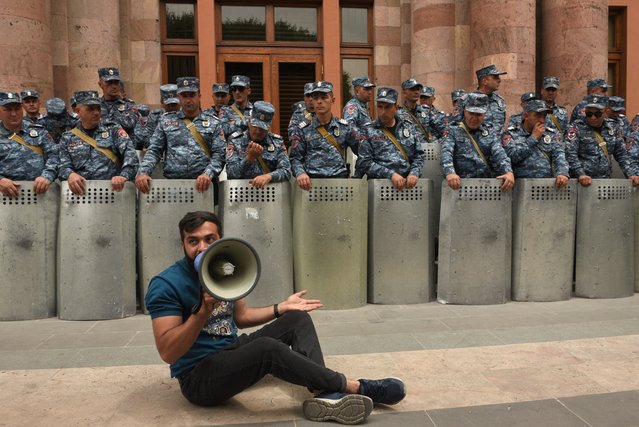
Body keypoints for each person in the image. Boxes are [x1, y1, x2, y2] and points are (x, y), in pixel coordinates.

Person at [145, 211, 406, 424]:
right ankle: (355, 387)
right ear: (183, 244)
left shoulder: (225, 268)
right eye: (193, 241)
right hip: (198, 377)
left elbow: (242, 316)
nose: (202, 247)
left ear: (220, 239)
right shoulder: (166, 284)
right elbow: (168, 352)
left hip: (229, 351)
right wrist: (201, 313)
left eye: (209, 239)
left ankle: (325, 394)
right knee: (267, 349)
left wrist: (281, 307)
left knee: (296, 318)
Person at [136, 77, 226, 195]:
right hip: (174, 186)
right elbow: (154, 150)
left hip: (204, 186)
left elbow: (219, 154)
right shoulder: (166, 121)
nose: (188, 100)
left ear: (199, 96)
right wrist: (143, 172)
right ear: (178, 97)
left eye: (192, 95)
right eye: (184, 95)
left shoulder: (213, 122)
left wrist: (208, 173)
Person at [58, 90, 139, 195]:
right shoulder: (68, 137)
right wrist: (70, 174)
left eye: (98, 108)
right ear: (78, 111)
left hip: (113, 193)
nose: (96, 113)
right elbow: (62, 165)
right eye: (90, 109)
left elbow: (131, 155)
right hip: (82, 197)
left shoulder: (113, 130)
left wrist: (123, 176)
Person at [289, 81, 365, 190]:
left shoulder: (344, 127)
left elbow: (363, 152)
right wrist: (300, 173)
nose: (319, 102)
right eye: (316, 98)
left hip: (339, 185)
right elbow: (295, 158)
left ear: (332, 100)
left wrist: (357, 176)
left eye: (324, 97)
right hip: (311, 185)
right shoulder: (302, 129)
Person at [440, 92, 514, 191]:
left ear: (484, 114)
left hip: (486, 186)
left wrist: (508, 172)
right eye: (471, 113)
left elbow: (499, 153)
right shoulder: (452, 130)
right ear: (465, 111)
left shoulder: (489, 132)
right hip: (460, 186)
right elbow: (446, 152)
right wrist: (450, 173)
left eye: (478, 114)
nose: (474, 118)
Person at [356, 87, 425, 188]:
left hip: (408, 187)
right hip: (380, 187)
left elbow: (419, 155)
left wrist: (414, 173)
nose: (383, 112)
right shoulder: (368, 131)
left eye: (387, 107)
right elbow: (364, 162)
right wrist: (390, 174)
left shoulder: (409, 127)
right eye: (380, 107)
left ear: (396, 107)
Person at [565, 94, 639, 187]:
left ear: (605, 112)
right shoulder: (576, 127)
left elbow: (622, 155)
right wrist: (581, 174)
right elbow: (570, 154)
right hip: (580, 184)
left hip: (604, 182)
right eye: (589, 114)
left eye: (597, 114)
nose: (593, 118)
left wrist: (631, 174)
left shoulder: (613, 128)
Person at [0, 91, 59, 198]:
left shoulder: (39, 131)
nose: (13, 114)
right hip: (6, 197)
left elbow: (54, 155)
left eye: (17, 109)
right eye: (8, 109)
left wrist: (47, 176)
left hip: (40, 194)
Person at [501, 99, 569, 188]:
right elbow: (511, 157)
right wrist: (533, 138)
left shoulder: (550, 134)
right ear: (526, 115)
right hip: (520, 186)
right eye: (537, 115)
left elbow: (559, 154)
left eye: (544, 116)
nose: (542, 120)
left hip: (546, 186)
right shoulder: (511, 134)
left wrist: (562, 172)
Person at [225, 101, 292, 187]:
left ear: (269, 127)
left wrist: (269, 176)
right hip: (242, 195)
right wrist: (249, 159)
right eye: (255, 126)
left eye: (262, 128)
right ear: (249, 121)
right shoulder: (235, 141)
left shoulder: (277, 142)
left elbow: (286, 171)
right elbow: (231, 174)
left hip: (270, 195)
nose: (258, 131)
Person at [97, 67, 138, 138]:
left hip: (124, 146)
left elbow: (130, 125)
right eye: (109, 83)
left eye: (116, 83)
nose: (114, 86)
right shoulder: (95, 106)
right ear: (100, 84)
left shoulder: (128, 105)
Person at [474, 64, 507, 131]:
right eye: (495, 77)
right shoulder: (468, 100)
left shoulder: (500, 101)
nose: (499, 80)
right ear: (484, 81)